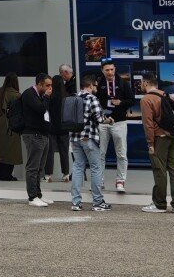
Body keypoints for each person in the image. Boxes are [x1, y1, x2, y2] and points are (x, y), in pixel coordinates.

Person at [140, 72, 174, 214]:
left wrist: (150, 144)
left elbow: (148, 125)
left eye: (141, 82)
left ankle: (159, 204)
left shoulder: (146, 99)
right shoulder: (167, 95)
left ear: (146, 83)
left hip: (160, 137)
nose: (140, 84)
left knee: (159, 170)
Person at [69, 73, 111, 211]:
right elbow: (100, 119)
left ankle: (76, 202)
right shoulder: (92, 98)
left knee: (77, 168)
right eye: (95, 86)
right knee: (96, 168)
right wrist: (109, 120)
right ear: (90, 85)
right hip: (88, 137)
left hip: (74, 138)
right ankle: (98, 202)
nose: (96, 89)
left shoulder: (73, 98)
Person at [95, 59, 134, 193]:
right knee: (100, 153)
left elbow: (132, 100)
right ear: (102, 71)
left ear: (115, 69)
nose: (110, 72)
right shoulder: (98, 83)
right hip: (103, 123)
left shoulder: (123, 83)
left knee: (121, 154)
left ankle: (120, 181)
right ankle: (99, 181)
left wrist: (121, 102)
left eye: (112, 69)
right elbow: (95, 101)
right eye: (107, 70)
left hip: (119, 122)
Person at [19, 73, 54, 206]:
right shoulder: (29, 94)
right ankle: (32, 197)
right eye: (47, 85)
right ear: (39, 84)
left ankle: (38, 194)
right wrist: (46, 97)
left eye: (51, 85)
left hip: (43, 134)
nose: (50, 88)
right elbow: (40, 109)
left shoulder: (42, 95)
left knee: (40, 167)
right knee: (33, 167)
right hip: (33, 134)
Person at [44, 64, 76, 182]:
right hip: (64, 127)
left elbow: (45, 109)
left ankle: (48, 175)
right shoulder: (67, 97)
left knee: (50, 152)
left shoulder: (49, 97)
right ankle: (66, 174)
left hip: (52, 127)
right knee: (64, 152)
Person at [0, 72, 22, 181]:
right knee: (12, 150)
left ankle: (3, 174)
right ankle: (8, 175)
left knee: (2, 149)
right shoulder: (17, 95)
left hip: (0, 122)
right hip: (11, 124)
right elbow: (18, 112)